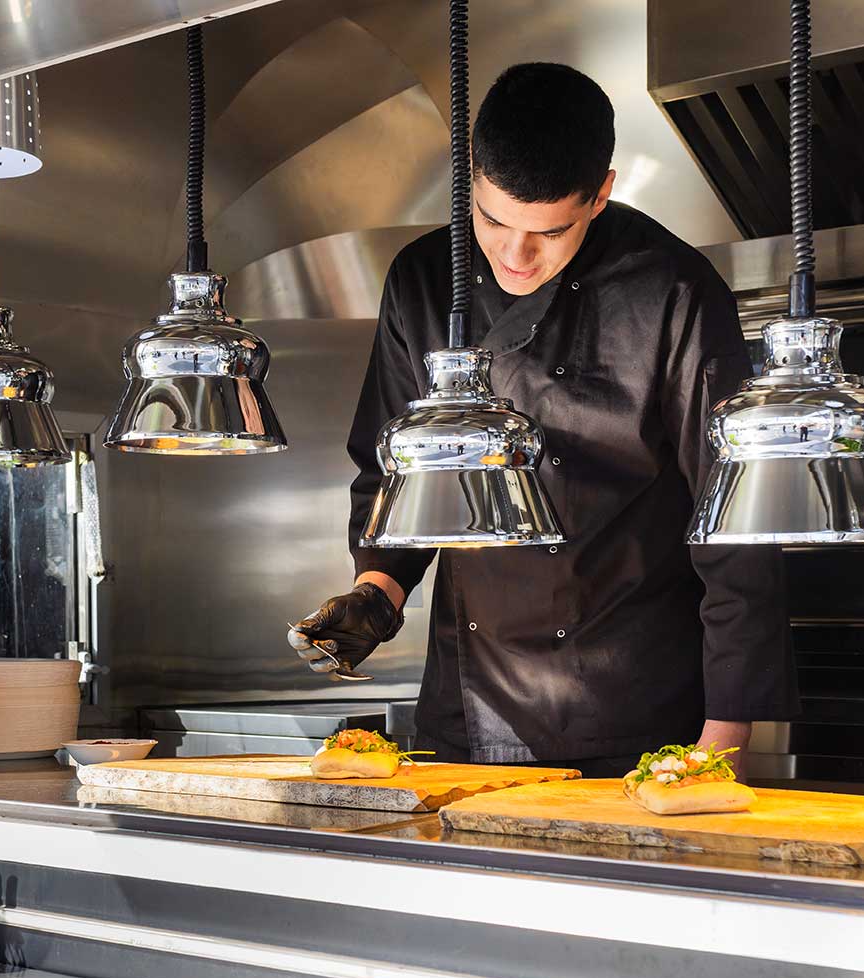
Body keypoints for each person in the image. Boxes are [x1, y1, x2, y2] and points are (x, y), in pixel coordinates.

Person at [287, 62, 797, 776]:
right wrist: (377, 591)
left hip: (633, 707)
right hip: (467, 706)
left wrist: (724, 738)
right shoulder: (423, 279)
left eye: (549, 231)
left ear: (601, 195)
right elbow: (396, 474)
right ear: (471, 180)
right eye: (493, 220)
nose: (515, 255)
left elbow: (736, 517)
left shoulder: (673, 291)